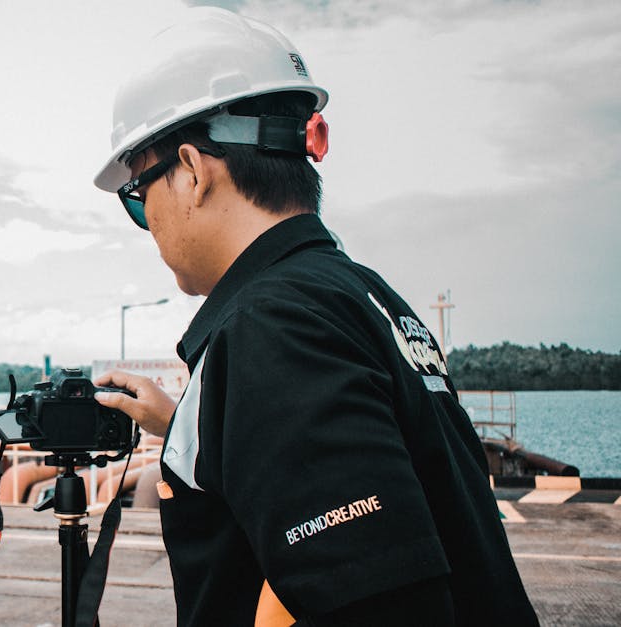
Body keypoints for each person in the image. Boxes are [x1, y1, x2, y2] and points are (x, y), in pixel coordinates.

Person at [89, 7, 537, 626]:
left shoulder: (273, 329)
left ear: (191, 172)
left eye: (139, 196)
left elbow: (375, 603)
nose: (148, 224)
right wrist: (200, 427)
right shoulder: (361, 295)